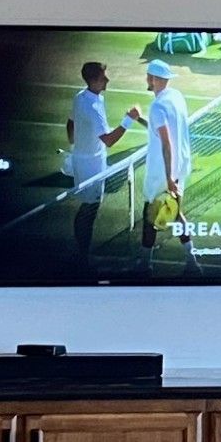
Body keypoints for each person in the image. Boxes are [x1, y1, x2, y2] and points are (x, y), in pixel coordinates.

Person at [126, 57, 198, 277]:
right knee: (175, 213)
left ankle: (146, 264)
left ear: (154, 79)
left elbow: (166, 143)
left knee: (152, 214)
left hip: (162, 173)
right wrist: (139, 120)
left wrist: (168, 178)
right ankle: (191, 261)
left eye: (148, 76)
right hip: (181, 166)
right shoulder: (176, 97)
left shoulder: (158, 105)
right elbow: (161, 131)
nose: (147, 79)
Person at [66, 61, 133, 274]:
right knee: (89, 210)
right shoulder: (93, 107)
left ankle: (81, 254)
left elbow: (70, 124)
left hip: (83, 159)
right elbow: (110, 140)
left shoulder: (81, 97)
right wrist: (128, 120)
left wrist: (76, 145)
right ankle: (83, 257)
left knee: (87, 208)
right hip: (91, 166)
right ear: (94, 80)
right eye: (104, 77)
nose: (107, 80)